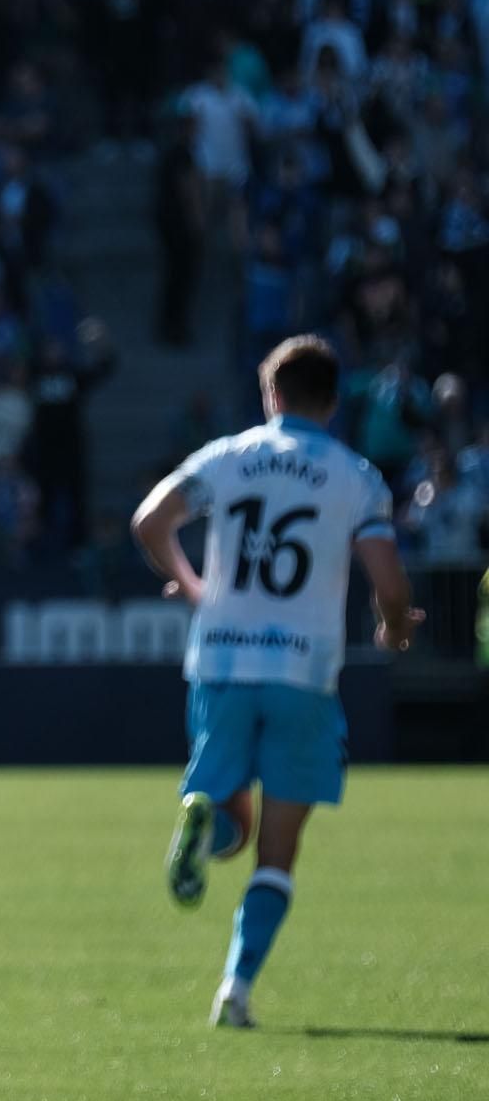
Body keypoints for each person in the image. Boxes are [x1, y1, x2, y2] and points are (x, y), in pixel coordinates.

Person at [131, 335, 420, 1029]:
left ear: (272, 396)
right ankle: (235, 986)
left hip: (223, 660)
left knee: (229, 815)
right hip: (302, 671)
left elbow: (149, 521)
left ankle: (205, 817)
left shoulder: (229, 455)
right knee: (278, 848)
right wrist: (396, 628)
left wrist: (199, 586)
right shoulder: (355, 476)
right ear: (332, 400)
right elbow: (387, 581)